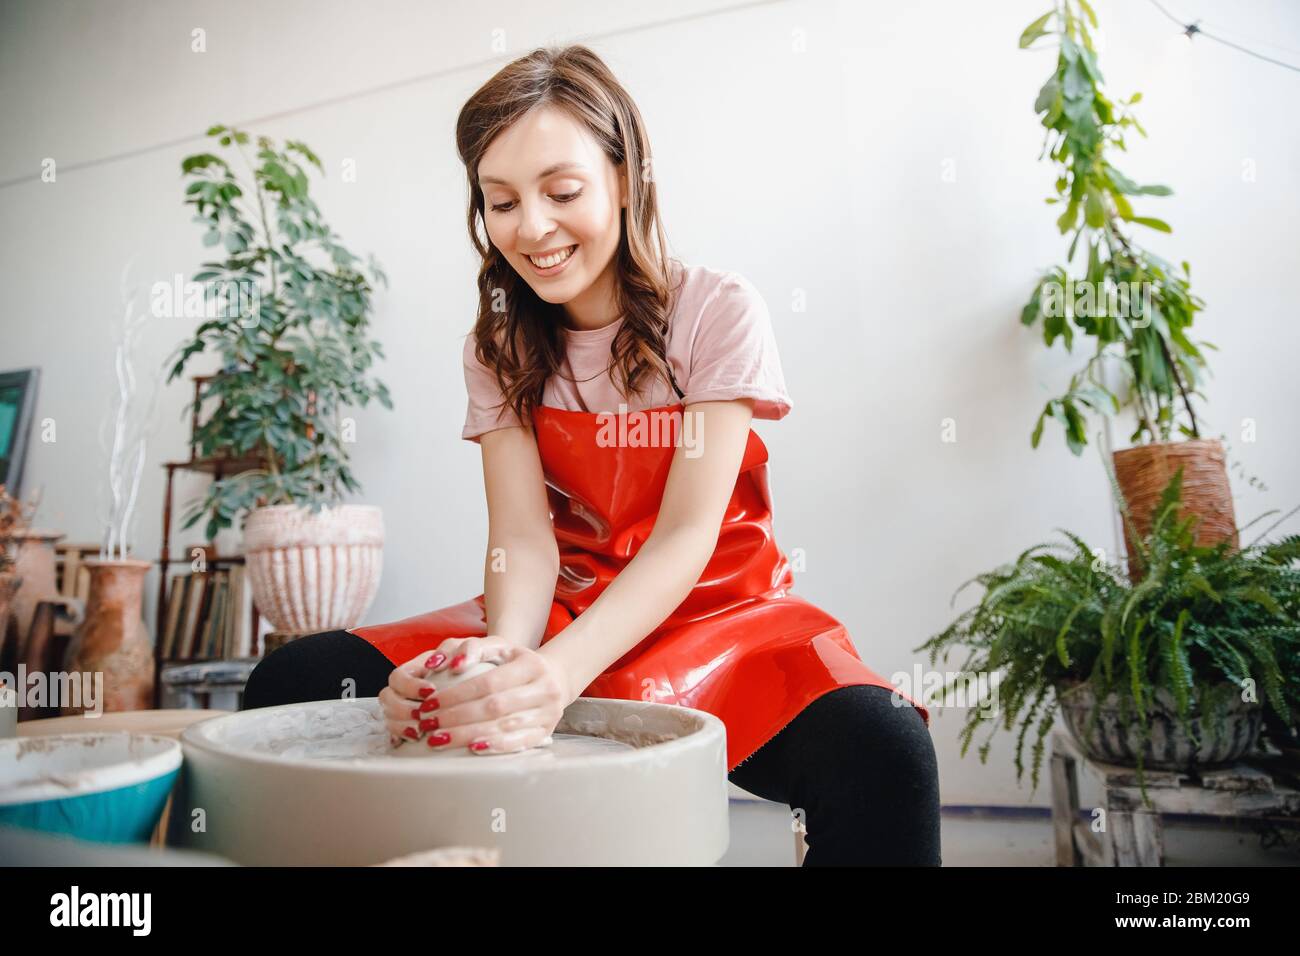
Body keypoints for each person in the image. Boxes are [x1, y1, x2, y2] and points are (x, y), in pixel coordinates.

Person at [242, 44, 941, 866]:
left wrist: (552, 679)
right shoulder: (496, 344)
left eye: (561, 191)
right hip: (558, 606)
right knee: (292, 682)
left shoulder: (716, 309)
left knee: (885, 748)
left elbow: (685, 537)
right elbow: (524, 540)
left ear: (625, 174)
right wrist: (506, 655)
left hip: (720, 614)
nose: (531, 228)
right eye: (500, 202)